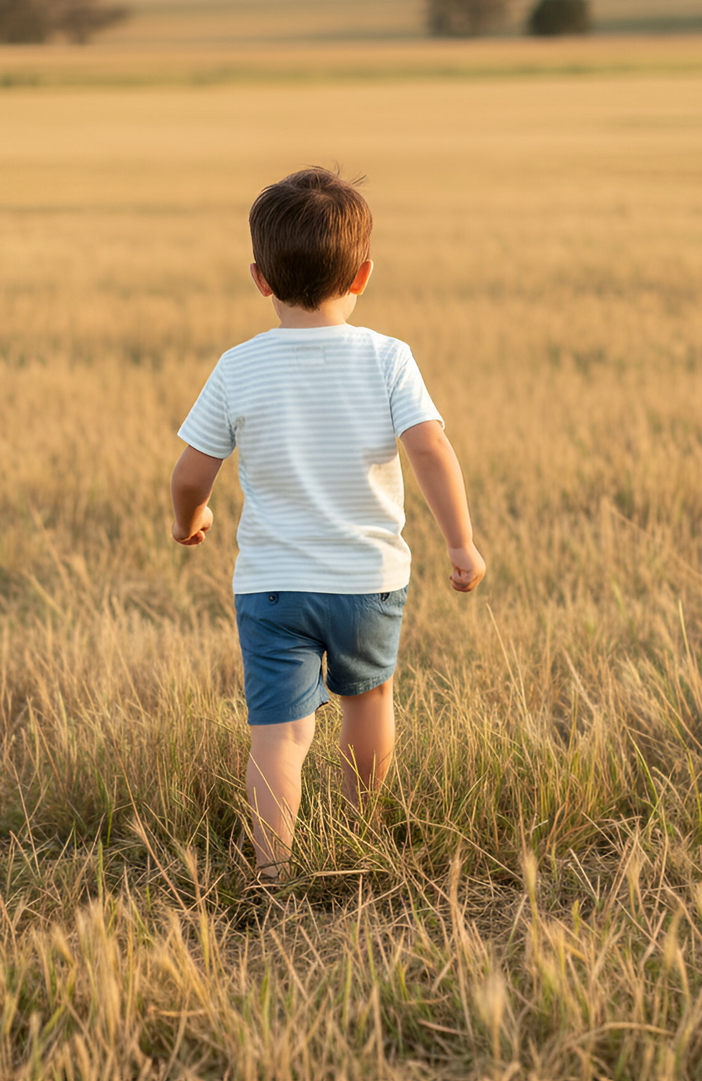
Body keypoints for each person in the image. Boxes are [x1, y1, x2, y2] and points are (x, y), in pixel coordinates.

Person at [170, 167, 484, 881]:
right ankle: (361, 829)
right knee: (368, 700)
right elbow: (431, 447)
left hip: (273, 587)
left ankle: (272, 869)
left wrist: (193, 518)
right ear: (364, 274)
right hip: (366, 580)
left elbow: (191, 473)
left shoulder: (238, 367)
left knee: (279, 733)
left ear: (259, 277)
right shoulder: (387, 358)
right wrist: (460, 541)